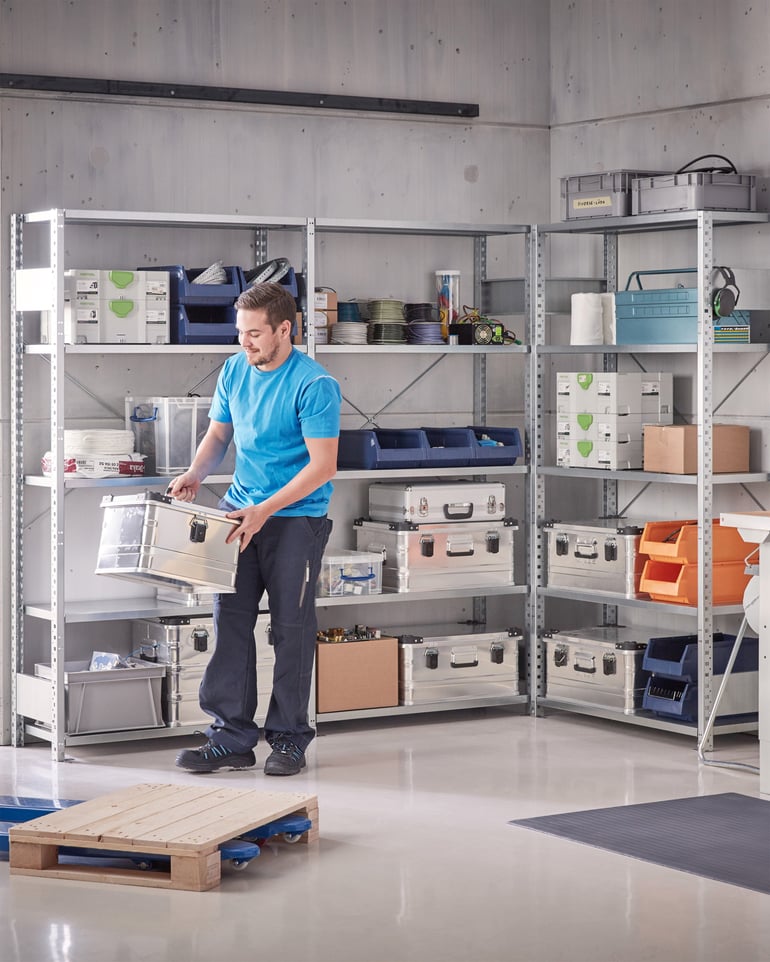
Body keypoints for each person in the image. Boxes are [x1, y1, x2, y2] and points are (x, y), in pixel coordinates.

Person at [171, 281, 341, 776]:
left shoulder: (314, 385)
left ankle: (288, 738)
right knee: (231, 624)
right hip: (238, 514)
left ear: (284, 329)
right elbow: (219, 433)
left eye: (253, 334)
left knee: (291, 629)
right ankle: (231, 738)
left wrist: (265, 509)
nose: (243, 343)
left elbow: (323, 465)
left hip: (295, 519)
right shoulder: (233, 370)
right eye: (240, 333)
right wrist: (195, 474)